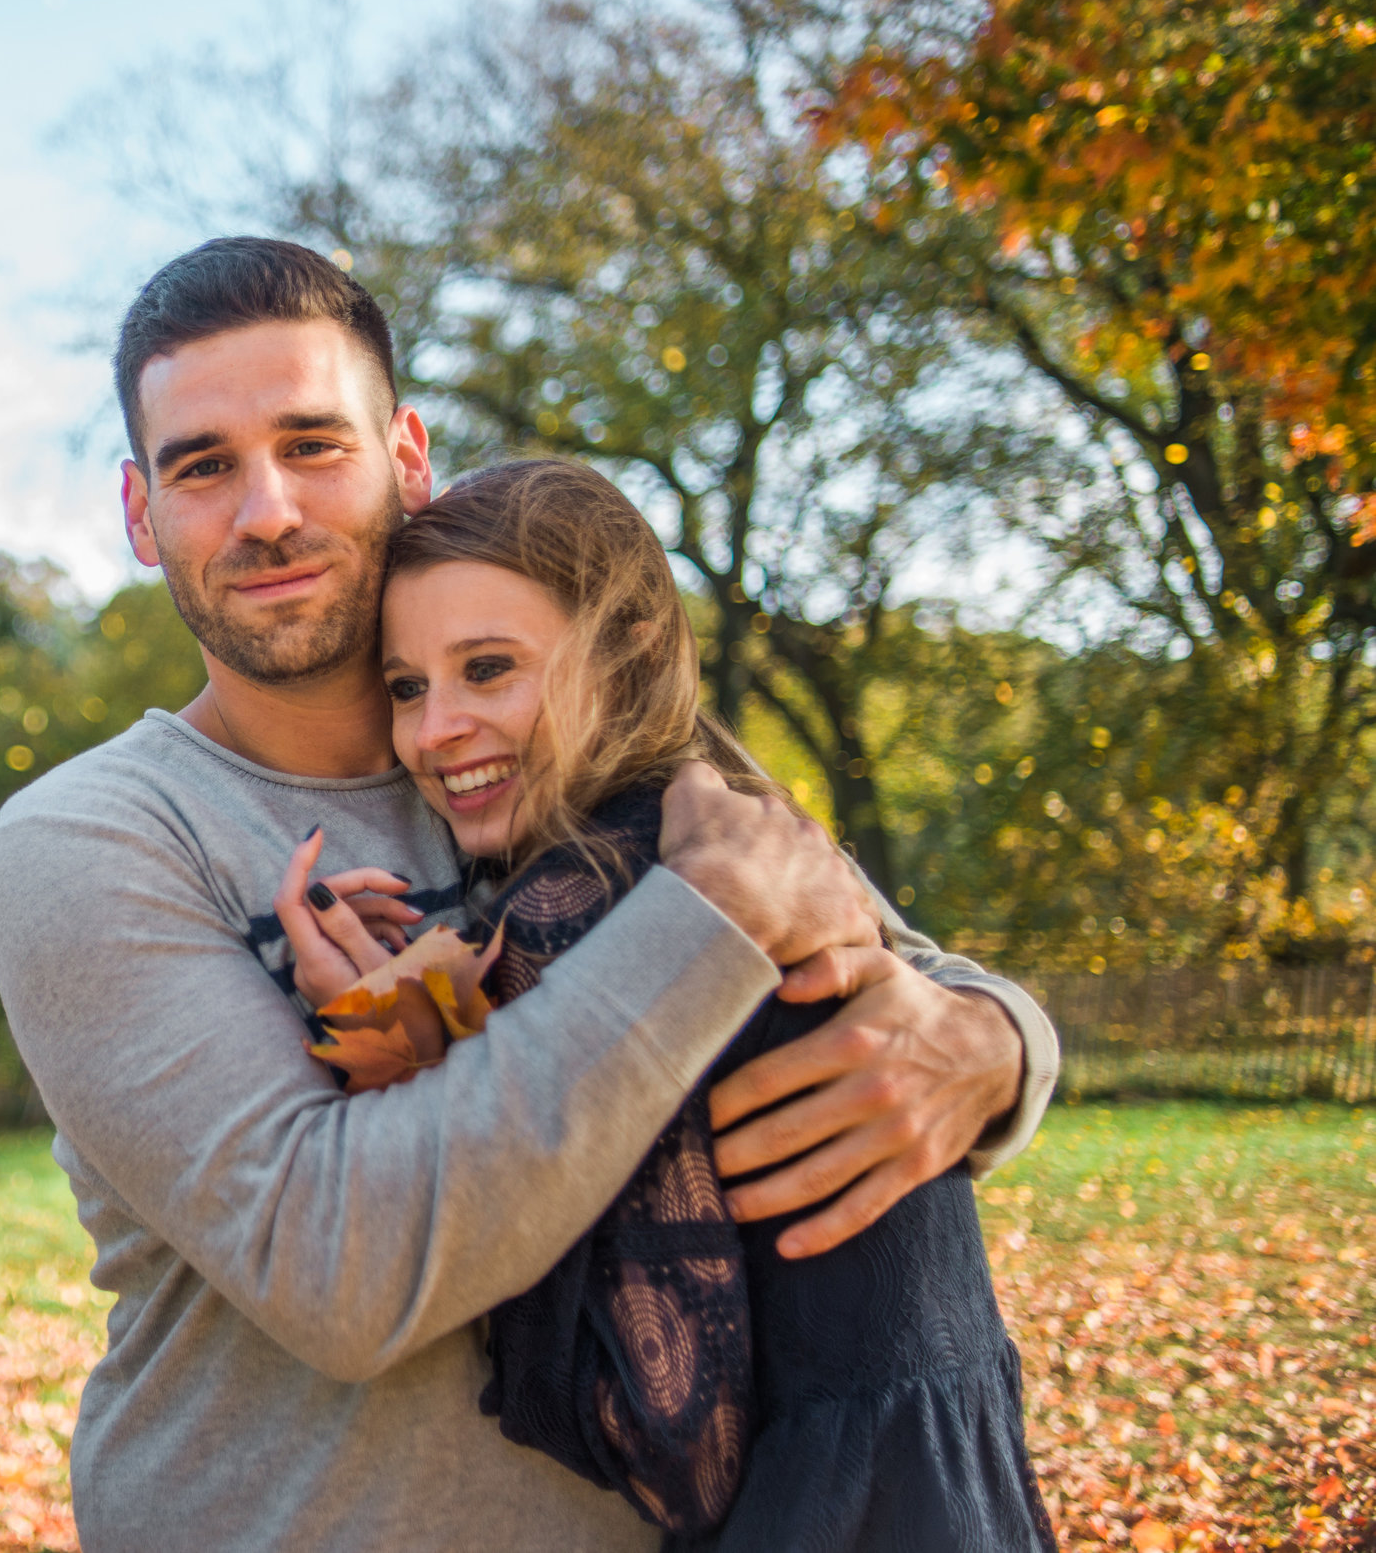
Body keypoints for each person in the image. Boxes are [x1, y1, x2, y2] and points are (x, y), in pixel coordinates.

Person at [0, 238, 1060, 1553]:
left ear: (408, 458)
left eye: (315, 443)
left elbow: (886, 958)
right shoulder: (93, 838)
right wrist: (699, 928)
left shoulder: (566, 732)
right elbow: (342, 1273)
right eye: (205, 465)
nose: (267, 512)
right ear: (144, 516)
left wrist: (1000, 1047)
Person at [281, 458, 1053, 1549]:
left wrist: (374, 1031)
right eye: (407, 686)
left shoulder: (599, 899)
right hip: (962, 1480)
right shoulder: (738, 827)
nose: (433, 729)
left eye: (488, 669)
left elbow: (663, 1429)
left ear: (632, 646)